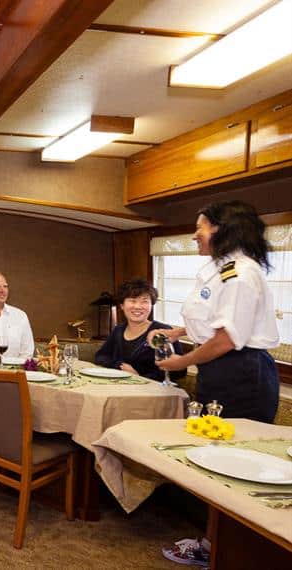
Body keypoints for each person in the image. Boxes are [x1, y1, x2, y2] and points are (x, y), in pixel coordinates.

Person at [150, 200, 279, 567]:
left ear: (221, 230)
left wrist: (182, 361)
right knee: (214, 457)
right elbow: (211, 323)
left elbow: (225, 340)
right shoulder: (221, 270)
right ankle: (214, 544)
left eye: (200, 227)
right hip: (223, 369)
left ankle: (226, 549)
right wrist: (176, 331)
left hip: (242, 374)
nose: (194, 235)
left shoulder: (240, 273)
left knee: (235, 463)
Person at [94, 278, 186, 382]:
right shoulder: (118, 330)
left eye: (144, 301)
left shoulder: (161, 331)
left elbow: (179, 371)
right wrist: (120, 366)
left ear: (151, 305)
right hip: (122, 388)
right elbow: (100, 356)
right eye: (132, 301)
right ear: (122, 306)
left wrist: (140, 377)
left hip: (155, 392)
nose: (138, 306)